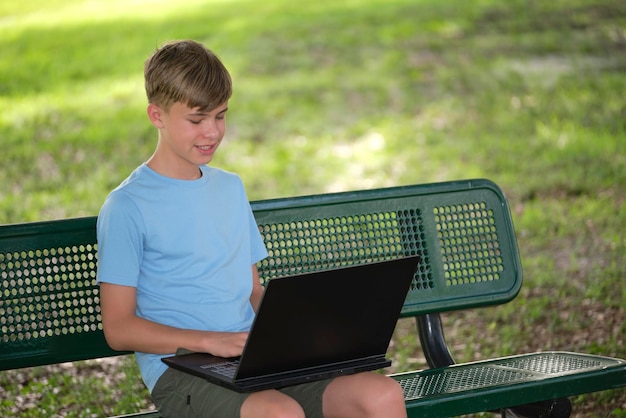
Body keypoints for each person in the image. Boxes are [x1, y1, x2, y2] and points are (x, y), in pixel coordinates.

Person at [96, 39, 407, 418]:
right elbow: (118, 327)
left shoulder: (230, 187)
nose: (212, 132)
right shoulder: (128, 206)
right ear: (156, 116)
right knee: (280, 413)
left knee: (381, 396)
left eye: (221, 116)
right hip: (180, 370)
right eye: (196, 120)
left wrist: (302, 337)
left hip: (253, 358)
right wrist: (209, 341)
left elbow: (253, 289)